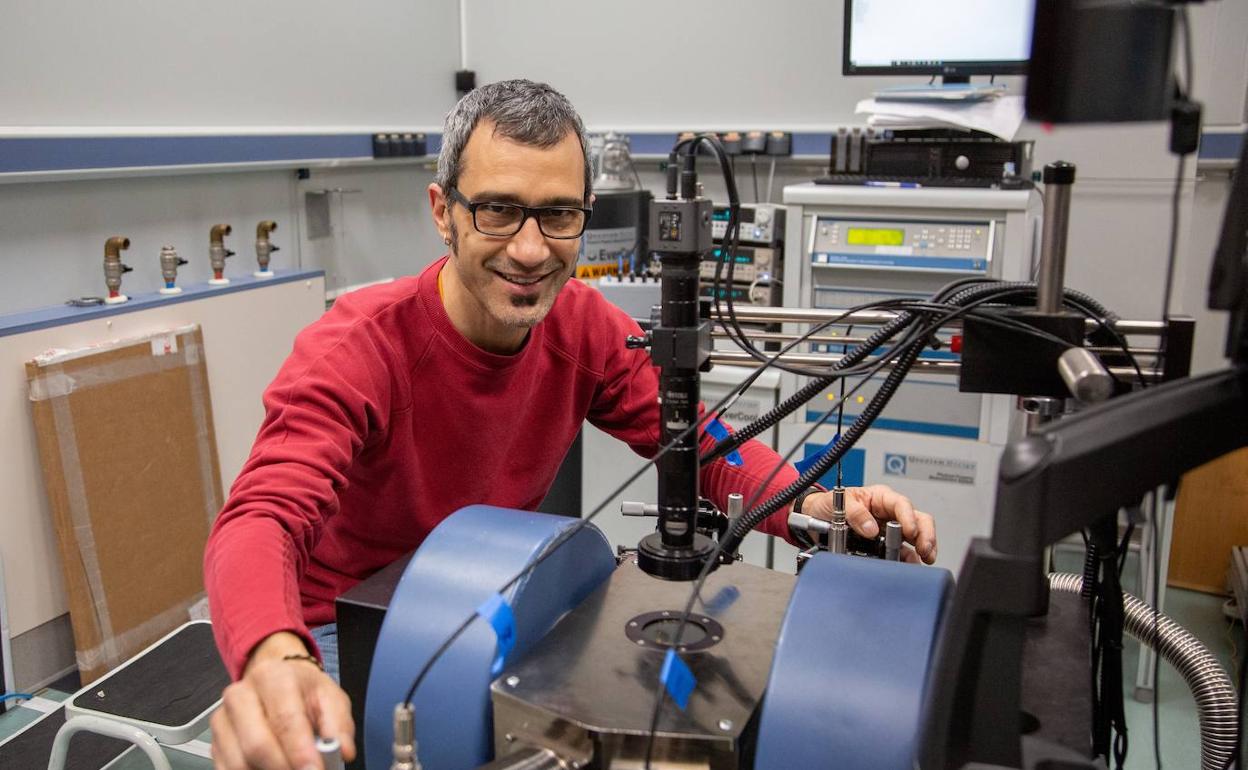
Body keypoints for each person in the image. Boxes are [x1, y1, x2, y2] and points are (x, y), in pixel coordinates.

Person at [204, 79, 937, 770]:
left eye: (557, 215)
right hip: (345, 627)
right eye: (497, 210)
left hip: (491, 597)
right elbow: (260, 517)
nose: (530, 250)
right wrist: (276, 656)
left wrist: (814, 503)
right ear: (442, 210)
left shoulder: (583, 326)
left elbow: (701, 444)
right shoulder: (359, 346)